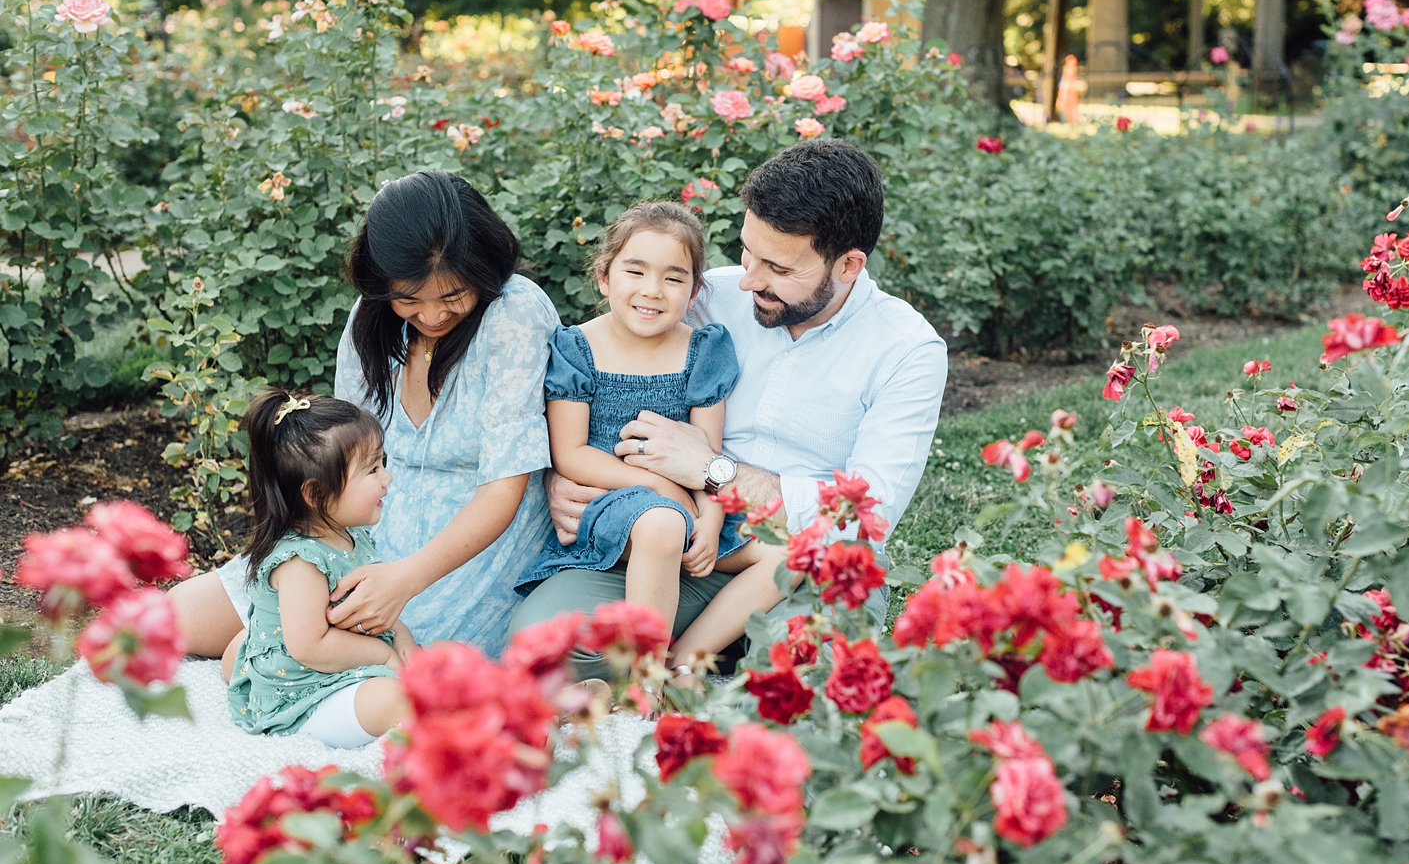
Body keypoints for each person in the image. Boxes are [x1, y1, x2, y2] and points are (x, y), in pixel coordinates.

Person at [507, 139, 947, 680]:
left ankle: (699, 672)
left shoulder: (906, 350)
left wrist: (716, 474)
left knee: (805, 678)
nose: (748, 279)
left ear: (849, 265)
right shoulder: (708, 294)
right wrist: (563, 474)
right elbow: (606, 364)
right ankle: (681, 672)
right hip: (675, 545)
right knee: (541, 645)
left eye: (777, 267)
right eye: (747, 251)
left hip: (799, 566)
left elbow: (864, 518)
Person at [168, 171, 558, 659]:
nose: (433, 316)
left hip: (470, 549)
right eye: (409, 299)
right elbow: (340, 455)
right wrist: (314, 554)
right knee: (176, 621)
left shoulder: (514, 313)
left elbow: (505, 486)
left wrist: (403, 579)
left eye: (454, 296)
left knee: (396, 657)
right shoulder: (372, 318)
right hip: (360, 522)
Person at [517, 201, 784, 667]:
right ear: (604, 277)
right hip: (612, 503)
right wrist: (660, 487)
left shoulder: (704, 349)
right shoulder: (578, 347)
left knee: (786, 551)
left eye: (674, 278)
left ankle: (685, 658)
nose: (653, 291)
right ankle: (646, 674)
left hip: (687, 507)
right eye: (635, 272)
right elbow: (572, 455)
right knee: (661, 523)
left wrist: (711, 522)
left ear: (695, 291)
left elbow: (708, 454)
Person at [227, 390, 413, 748]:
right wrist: (385, 655)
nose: (387, 478)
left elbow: (374, 611)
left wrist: (404, 644)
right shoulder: (301, 561)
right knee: (393, 699)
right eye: (373, 469)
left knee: (441, 661)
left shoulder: (351, 535)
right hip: (304, 696)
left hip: (339, 670)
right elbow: (310, 646)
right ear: (316, 493)